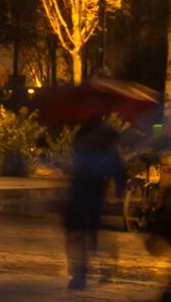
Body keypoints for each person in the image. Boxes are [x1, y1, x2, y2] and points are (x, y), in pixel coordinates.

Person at [58, 113, 124, 286]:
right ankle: (101, 268)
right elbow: (119, 171)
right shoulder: (106, 147)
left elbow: (77, 164)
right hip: (93, 195)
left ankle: (80, 274)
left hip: (78, 194)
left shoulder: (82, 139)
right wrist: (119, 191)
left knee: (77, 234)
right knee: (90, 233)